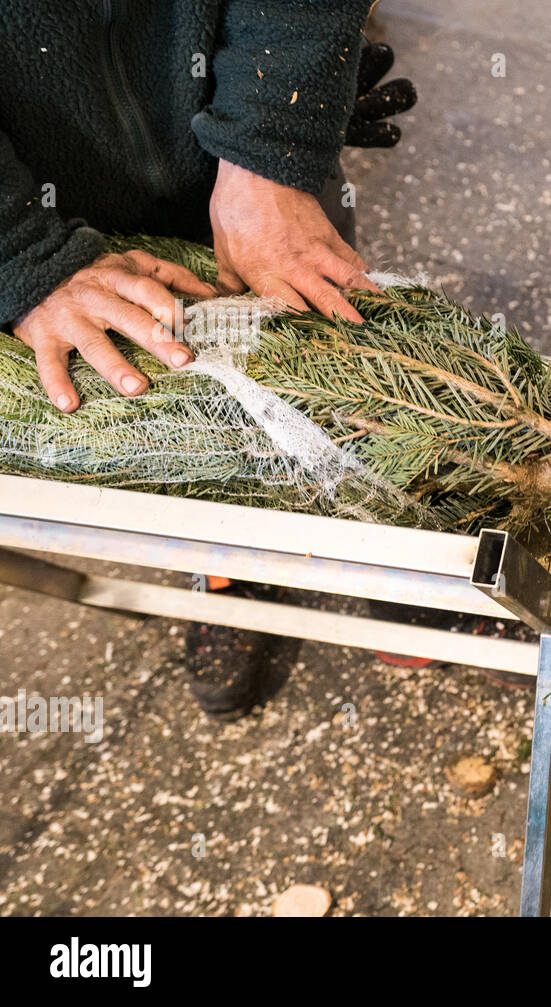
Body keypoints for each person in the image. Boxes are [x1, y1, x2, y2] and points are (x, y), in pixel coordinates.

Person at [0, 3, 414, 720]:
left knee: (326, 351)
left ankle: (396, 538)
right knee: (176, 407)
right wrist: (19, 254)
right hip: (40, 187)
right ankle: (231, 562)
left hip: (233, 116)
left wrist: (275, 130)